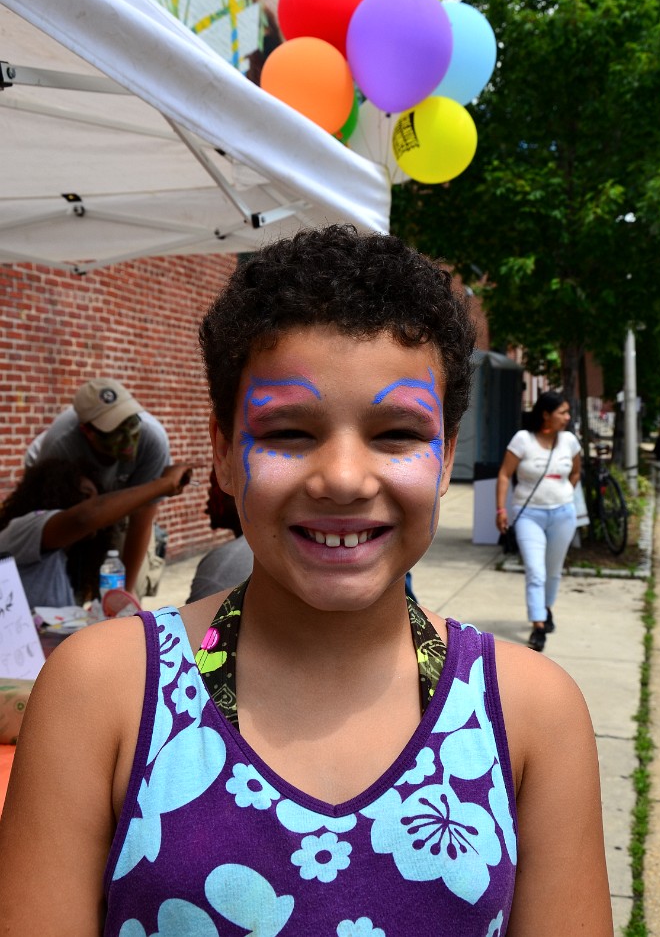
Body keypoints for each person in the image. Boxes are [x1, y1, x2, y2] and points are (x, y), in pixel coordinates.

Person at [0, 227, 612, 936]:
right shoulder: (102, 694)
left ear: (445, 461)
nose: (344, 479)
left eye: (397, 435)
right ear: (225, 457)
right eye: (290, 433)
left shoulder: (532, 718)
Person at [25, 378, 171, 596]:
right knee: (66, 586)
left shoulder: (153, 439)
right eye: (116, 432)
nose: (129, 439)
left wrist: (125, 596)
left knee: (127, 591)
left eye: (131, 424)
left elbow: (141, 522)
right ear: (88, 431)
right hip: (68, 510)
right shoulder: (60, 446)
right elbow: (53, 528)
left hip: (125, 512)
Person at [0, 457, 193, 610]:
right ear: (57, 494)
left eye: (95, 498)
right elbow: (83, 518)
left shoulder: (68, 557)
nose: (93, 507)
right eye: (85, 497)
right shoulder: (23, 528)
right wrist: (165, 484)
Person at [495, 391, 581, 653]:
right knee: (536, 570)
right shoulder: (523, 439)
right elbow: (504, 475)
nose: (567, 418)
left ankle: (545, 607)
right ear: (546, 414)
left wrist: (564, 495)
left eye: (568, 413)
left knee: (553, 571)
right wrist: (501, 509)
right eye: (562, 412)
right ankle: (539, 626)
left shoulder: (569, 441)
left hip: (563, 514)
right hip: (529, 514)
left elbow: (576, 472)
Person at [186, 467, 254, 603]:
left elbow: (196, 624)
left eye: (213, 487)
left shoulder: (221, 568)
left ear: (237, 493)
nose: (209, 496)